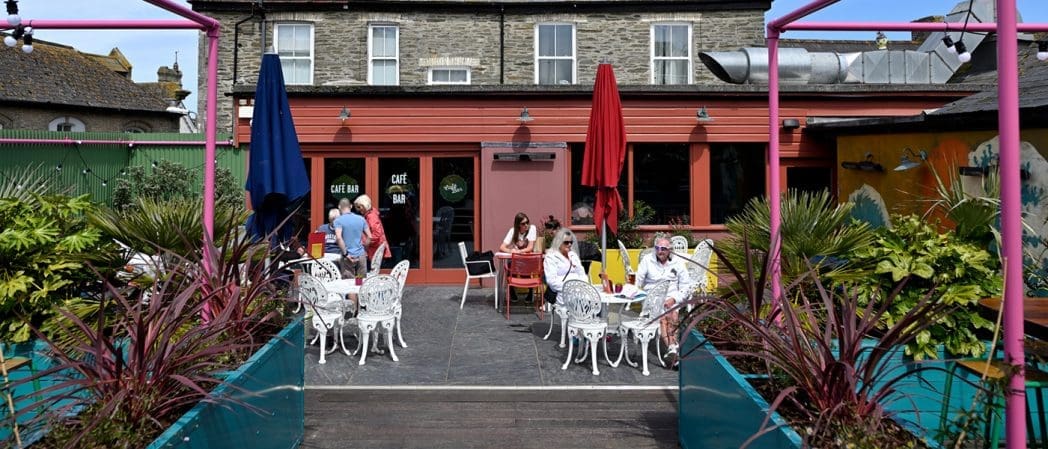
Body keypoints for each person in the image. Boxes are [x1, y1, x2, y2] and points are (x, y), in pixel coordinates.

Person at [635, 235, 693, 369]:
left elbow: (686, 285)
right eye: (657, 248)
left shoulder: (678, 263)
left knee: (670, 314)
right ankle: (673, 348)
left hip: (672, 296)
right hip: (653, 296)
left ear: (670, 250)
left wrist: (674, 299)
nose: (660, 251)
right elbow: (638, 280)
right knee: (663, 318)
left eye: (663, 248)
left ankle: (672, 349)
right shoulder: (647, 260)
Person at [543, 228, 587, 304]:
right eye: (566, 242)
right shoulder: (551, 257)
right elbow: (552, 281)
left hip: (579, 292)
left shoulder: (573, 255)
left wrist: (582, 286)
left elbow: (582, 273)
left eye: (571, 242)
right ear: (559, 242)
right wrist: (571, 288)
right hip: (562, 294)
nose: (569, 245)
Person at [334, 198, 372, 279]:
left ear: (339, 207)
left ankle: (352, 292)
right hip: (361, 255)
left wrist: (345, 254)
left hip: (347, 257)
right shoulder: (361, 219)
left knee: (349, 285)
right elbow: (370, 236)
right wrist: (364, 250)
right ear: (351, 206)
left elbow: (338, 237)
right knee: (360, 282)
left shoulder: (338, 221)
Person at [354, 194, 391, 269]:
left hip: (374, 251)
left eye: (359, 207)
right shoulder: (369, 215)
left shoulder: (371, 217)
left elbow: (377, 234)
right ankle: (360, 280)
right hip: (373, 251)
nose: (358, 209)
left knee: (361, 270)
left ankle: (359, 281)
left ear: (364, 205)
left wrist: (365, 243)